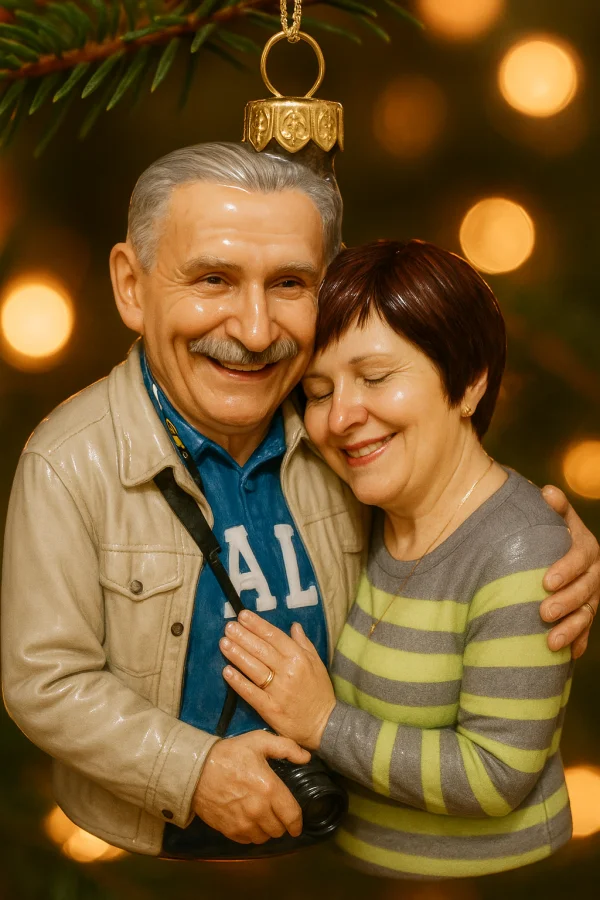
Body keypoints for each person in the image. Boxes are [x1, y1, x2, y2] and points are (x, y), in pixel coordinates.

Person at [1, 145, 598, 859]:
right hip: (146, 855)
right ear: (133, 286)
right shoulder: (69, 461)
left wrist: (543, 544)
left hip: (352, 837)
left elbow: (448, 480)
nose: (255, 331)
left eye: (289, 283)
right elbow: (45, 680)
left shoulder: (338, 435)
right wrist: (193, 772)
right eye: (214, 279)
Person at [218, 239, 588, 879]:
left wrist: (322, 722)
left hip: (504, 883)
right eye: (318, 391)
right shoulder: (350, 514)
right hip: (358, 876)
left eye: (375, 377)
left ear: (468, 381)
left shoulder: (521, 550)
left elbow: (496, 776)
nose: (341, 416)